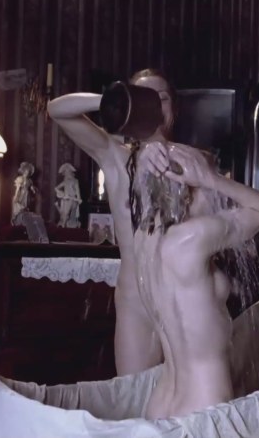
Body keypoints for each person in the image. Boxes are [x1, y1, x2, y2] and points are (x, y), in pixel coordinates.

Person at [132, 143, 259, 419]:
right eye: (209, 187)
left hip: (160, 404)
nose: (217, 197)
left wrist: (148, 157)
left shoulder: (144, 236)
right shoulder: (194, 237)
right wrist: (211, 179)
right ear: (190, 187)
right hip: (204, 402)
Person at [47, 68, 176, 375]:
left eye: (161, 98)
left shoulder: (194, 162)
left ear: (174, 107)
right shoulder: (114, 156)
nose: (154, 106)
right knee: (134, 394)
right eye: (144, 98)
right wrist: (114, 100)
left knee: (189, 398)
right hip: (136, 299)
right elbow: (56, 110)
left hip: (183, 296)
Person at [54, 162, 82, 228]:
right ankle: (63, 225)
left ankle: (72, 224)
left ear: (70, 171)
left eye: (68, 171)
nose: (67, 172)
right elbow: (56, 188)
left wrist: (79, 198)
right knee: (65, 214)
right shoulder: (65, 181)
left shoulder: (75, 181)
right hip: (66, 199)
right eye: (65, 171)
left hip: (73, 199)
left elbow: (77, 191)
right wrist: (62, 194)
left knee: (72, 214)